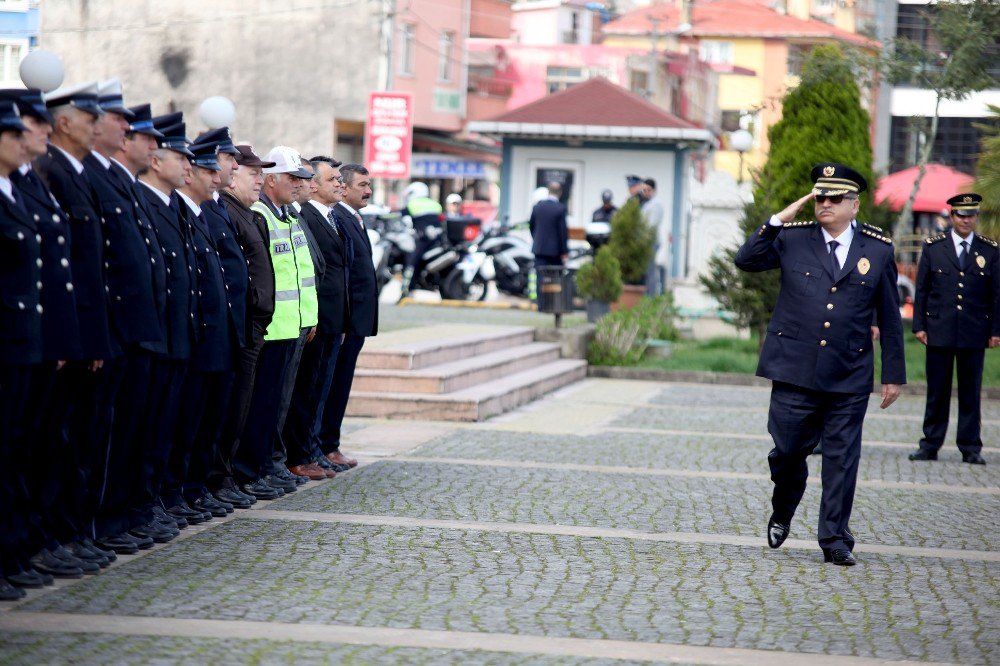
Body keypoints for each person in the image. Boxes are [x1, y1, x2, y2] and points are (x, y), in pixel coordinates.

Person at [735, 162, 905, 567]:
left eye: (833, 197)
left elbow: (890, 315)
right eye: (819, 196)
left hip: (848, 371)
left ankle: (833, 537)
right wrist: (777, 219)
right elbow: (747, 259)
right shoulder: (792, 239)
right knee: (789, 450)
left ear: (854, 204)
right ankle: (783, 508)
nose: (824, 203)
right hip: (794, 369)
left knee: (842, 457)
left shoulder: (877, 250)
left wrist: (893, 375)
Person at [34, 82, 122, 574]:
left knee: (78, 441)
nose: (98, 126)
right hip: (60, 334)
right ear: (64, 122)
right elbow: (66, 268)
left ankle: (67, 533)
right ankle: (46, 538)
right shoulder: (52, 172)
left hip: (85, 332)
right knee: (54, 442)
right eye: (90, 120)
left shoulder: (78, 172)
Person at [234, 146, 317, 500]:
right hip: (272, 327)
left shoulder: (286, 215)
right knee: (261, 406)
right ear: (272, 180)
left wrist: (308, 318)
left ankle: (266, 466)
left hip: (291, 325)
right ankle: (252, 471)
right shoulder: (262, 216)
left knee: (275, 407)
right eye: (293, 178)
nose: (299, 185)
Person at [134, 113, 199, 544]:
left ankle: (149, 502)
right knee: (142, 429)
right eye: (180, 156)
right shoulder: (145, 201)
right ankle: (136, 507)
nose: (188, 165)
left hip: (176, 333)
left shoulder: (170, 205)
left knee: (162, 427)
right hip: (153, 335)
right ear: (156, 161)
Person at [909, 193, 999, 465]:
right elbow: (922, 290)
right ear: (952, 216)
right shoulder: (934, 247)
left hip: (974, 330)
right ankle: (930, 444)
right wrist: (919, 325)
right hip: (939, 329)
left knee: (971, 392)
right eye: (961, 215)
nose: (966, 220)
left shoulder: (990, 250)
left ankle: (970, 446)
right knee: (937, 391)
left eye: (971, 215)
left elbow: (996, 295)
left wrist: (996, 330)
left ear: (976, 217)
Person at [212, 144, 276, 508]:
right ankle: (219, 478)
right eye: (254, 174)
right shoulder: (230, 214)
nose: (261, 181)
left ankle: (227, 475)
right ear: (233, 176)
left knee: (241, 408)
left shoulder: (250, 214)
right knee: (230, 408)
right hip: (241, 325)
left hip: (254, 325)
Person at [0, 100, 45, 598]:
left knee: (17, 449)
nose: (19, 139)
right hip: (10, 343)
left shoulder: (15, 191)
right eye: (11, 131)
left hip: (23, 343)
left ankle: (13, 553)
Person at [283, 156, 351, 479]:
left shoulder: (329, 217)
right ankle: (300, 453)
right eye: (333, 179)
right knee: (305, 391)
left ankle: (311, 450)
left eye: (340, 179)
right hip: (314, 318)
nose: (340, 184)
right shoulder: (305, 215)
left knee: (318, 389)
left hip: (330, 318)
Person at [318, 163, 376, 471]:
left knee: (340, 383)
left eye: (369, 185)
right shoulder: (337, 216)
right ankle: (326, 445)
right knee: (333, 384)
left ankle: (329, 443)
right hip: (345, 318)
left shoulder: (354, 217)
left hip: (356, 319)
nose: (367, 191)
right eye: (361, 185)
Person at [400, 181, 443, 297]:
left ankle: (406, 288)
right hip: (439, 239)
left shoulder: (412, 205)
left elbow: (401, 217)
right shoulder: (436, 204)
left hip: (425, 240)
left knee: (411, 262)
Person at [528, 181, 568, 301]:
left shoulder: (537, 207)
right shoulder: (560, 209)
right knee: (555, 277)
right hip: (555, 251)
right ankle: (552, 301)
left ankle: (540, 303)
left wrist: (536, 240)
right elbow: (562, 232)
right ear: (560, 193)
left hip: (539, 249)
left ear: (548, 192)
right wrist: (564, 251)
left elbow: (532, 226)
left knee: (540, 277)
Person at [641, 178, 666, 295]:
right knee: (647, 270)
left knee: (650, 270)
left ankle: (651, 296)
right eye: (644, 190)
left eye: (648, 190)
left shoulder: (656, 204)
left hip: (650, 241)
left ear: (654, 190)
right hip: (646, 240)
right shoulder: (648, 203)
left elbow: (651, 225)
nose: (646, 192)